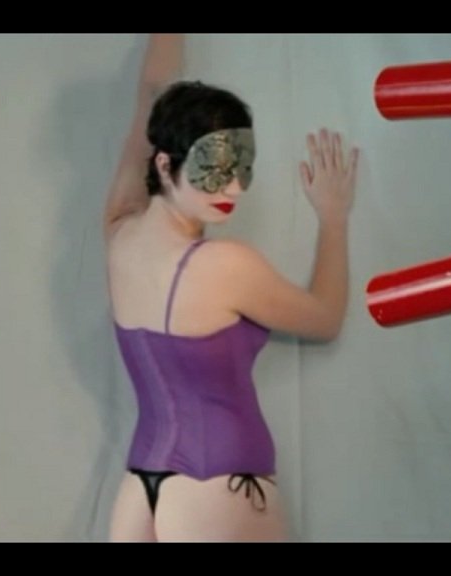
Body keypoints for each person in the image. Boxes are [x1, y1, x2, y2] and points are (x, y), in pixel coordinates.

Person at [102, 33, 359, 542]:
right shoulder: (225, 266)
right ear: (165, 165)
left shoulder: (118, 233)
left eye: (241, 167)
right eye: (215, 171)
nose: (235, 188)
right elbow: (326, 317)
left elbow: (150, 98)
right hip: (219, 489)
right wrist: (333, 219)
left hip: (139, 490)